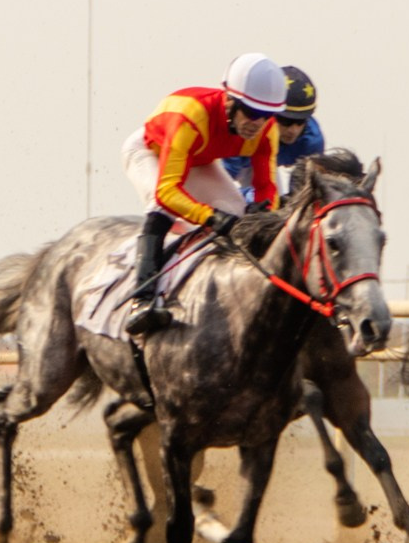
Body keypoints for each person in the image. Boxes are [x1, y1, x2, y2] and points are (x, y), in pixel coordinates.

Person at [118, 52, 286, 336]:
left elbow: (267, 189)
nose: (258, 123)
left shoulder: (266, 132)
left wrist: (263, 212)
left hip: (199, 159)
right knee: (162, 208)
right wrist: (210, 217)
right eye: (251, 112)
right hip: (149, 152)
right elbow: (167, 191)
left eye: (268, 115)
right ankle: (142, 300)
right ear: (230, 101)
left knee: (238, 213)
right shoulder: (191, 117)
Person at [224, 64, 323, 198]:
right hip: (231, 166)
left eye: (301, 122)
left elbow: (304, 194)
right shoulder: (244, 130)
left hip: (266, 163)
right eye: (286, 121)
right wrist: (249, 199)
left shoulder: (312, 140)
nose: (293, 130)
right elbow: (219, 186)